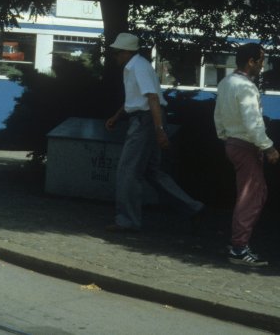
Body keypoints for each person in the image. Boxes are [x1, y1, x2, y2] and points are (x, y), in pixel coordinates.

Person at [104, 32, 204, 232]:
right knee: (152, 172)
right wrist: (117, 116)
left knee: (128, 171)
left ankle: (128, 220)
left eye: (117, 52)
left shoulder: (137, 68)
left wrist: (159, 131)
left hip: (144, 122)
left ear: (126, 52)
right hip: (146, 120)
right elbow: (137, 99)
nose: (115, 56)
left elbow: (152, 99)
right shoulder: (136, 66)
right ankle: (192, 206)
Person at [214, 43, 279, 267]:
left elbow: (218, 116)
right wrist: (268, 147)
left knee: (249, 194)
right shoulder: (247, 87)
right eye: (261, 60)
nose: (263, 65)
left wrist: (225, 136)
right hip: (246, 145)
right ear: (251, 62)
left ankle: (238, 245)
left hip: (233, 143)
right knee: (252, 196)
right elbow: (253, 123)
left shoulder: (226, 82)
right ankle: (239, 248)